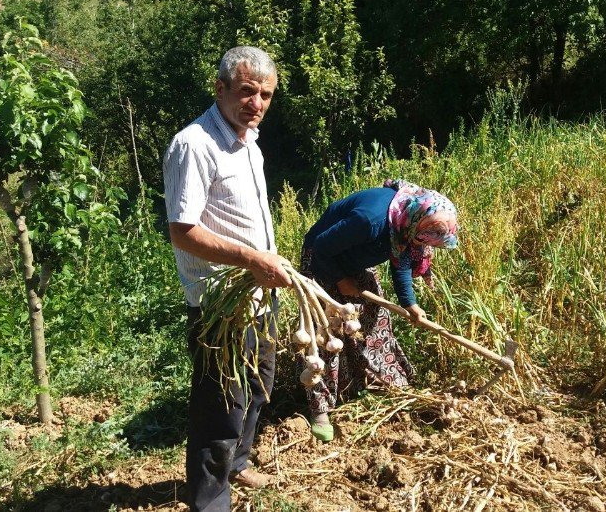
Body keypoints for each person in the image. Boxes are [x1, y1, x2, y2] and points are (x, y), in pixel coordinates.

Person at [163, 46, 292, 512]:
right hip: (220, 304)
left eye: (265, 95)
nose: (256, 103)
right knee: (220, 405)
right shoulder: (194, 144)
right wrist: (251, 258)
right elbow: (183, 231)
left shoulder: (248, 142)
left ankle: (238, 462)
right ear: (219, 89)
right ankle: (210, 500)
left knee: (259, 385)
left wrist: (261, 265)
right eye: (246, 92)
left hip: (257, 294)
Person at [299, 179, 459, 441]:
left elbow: (402, 260)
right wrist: (340, 280)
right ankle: (321, 410)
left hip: (356, 260)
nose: (420, 245)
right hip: (321, 261)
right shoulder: (370, 221)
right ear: (416, 222)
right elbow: (320, 248)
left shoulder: (406, 219)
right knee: (326, 336)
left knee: (375, 324)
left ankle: (382, 386)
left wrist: (411, 304)